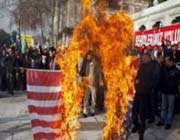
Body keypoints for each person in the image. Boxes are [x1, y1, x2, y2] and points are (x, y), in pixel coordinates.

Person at [132, 53, 155, 140]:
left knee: (142, 114)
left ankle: (141, 133)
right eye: (142, 58)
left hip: (145, 94)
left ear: (149, 58)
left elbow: (154, 81)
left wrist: (144, 85)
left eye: (145, 58)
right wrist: (136, 83)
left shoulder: (152, 67)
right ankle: (136, 125)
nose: (143, 59)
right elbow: (137, 78)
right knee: (134, 112)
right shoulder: (141, 66)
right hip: (138, 92)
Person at [157, 55, 180, 129]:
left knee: (170, 108)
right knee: (163, 107)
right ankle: (162, 120)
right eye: (166, 61)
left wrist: (175, 89)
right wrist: (160, 88)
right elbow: (161, 79)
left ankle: (168, 122)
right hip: (164, 91)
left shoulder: (177, 71)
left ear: (172, 62)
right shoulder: (163, 68)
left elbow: (178, 82)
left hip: (172, 92)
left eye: (167, 61)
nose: (166, 62)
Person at [81, 51, 97, 117]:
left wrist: (99, 80)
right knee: (86, 97)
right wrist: (83, 79)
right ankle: (85, 111)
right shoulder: (85, 63)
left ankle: (92, 110)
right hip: (87, 82)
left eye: (89, 56)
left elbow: (98, 72)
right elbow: (83, 72)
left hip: (93, 82)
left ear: (91, 56)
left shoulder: (95, 63)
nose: (88, 57)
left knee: (93, 97)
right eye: (87, 56)